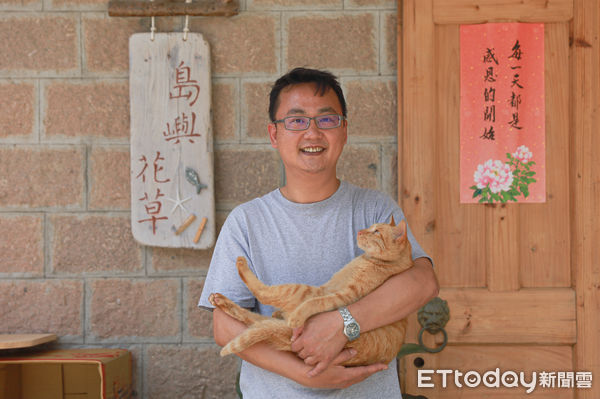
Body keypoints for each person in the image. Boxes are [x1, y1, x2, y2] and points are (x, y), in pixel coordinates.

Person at [199, 67, 439, 398]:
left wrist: (342, 323)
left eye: (326, 120)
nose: (312, 132)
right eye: (296, 121)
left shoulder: (374, 209)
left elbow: (422, 282)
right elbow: (224, 327)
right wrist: (305, 374)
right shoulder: (247, 221)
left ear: (344, 131)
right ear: (274, 135)